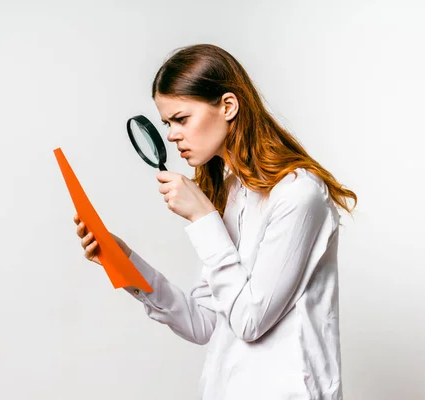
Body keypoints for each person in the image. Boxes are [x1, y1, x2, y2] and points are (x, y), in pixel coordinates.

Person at [73, 43, 357, 400]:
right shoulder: (231, 192)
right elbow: (204, 322)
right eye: (167, 123)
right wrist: (125, 261)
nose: (172, 135)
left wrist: (203, 218)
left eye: (181, 118)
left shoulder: (299, 194)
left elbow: (250, 321)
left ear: (228, 106)